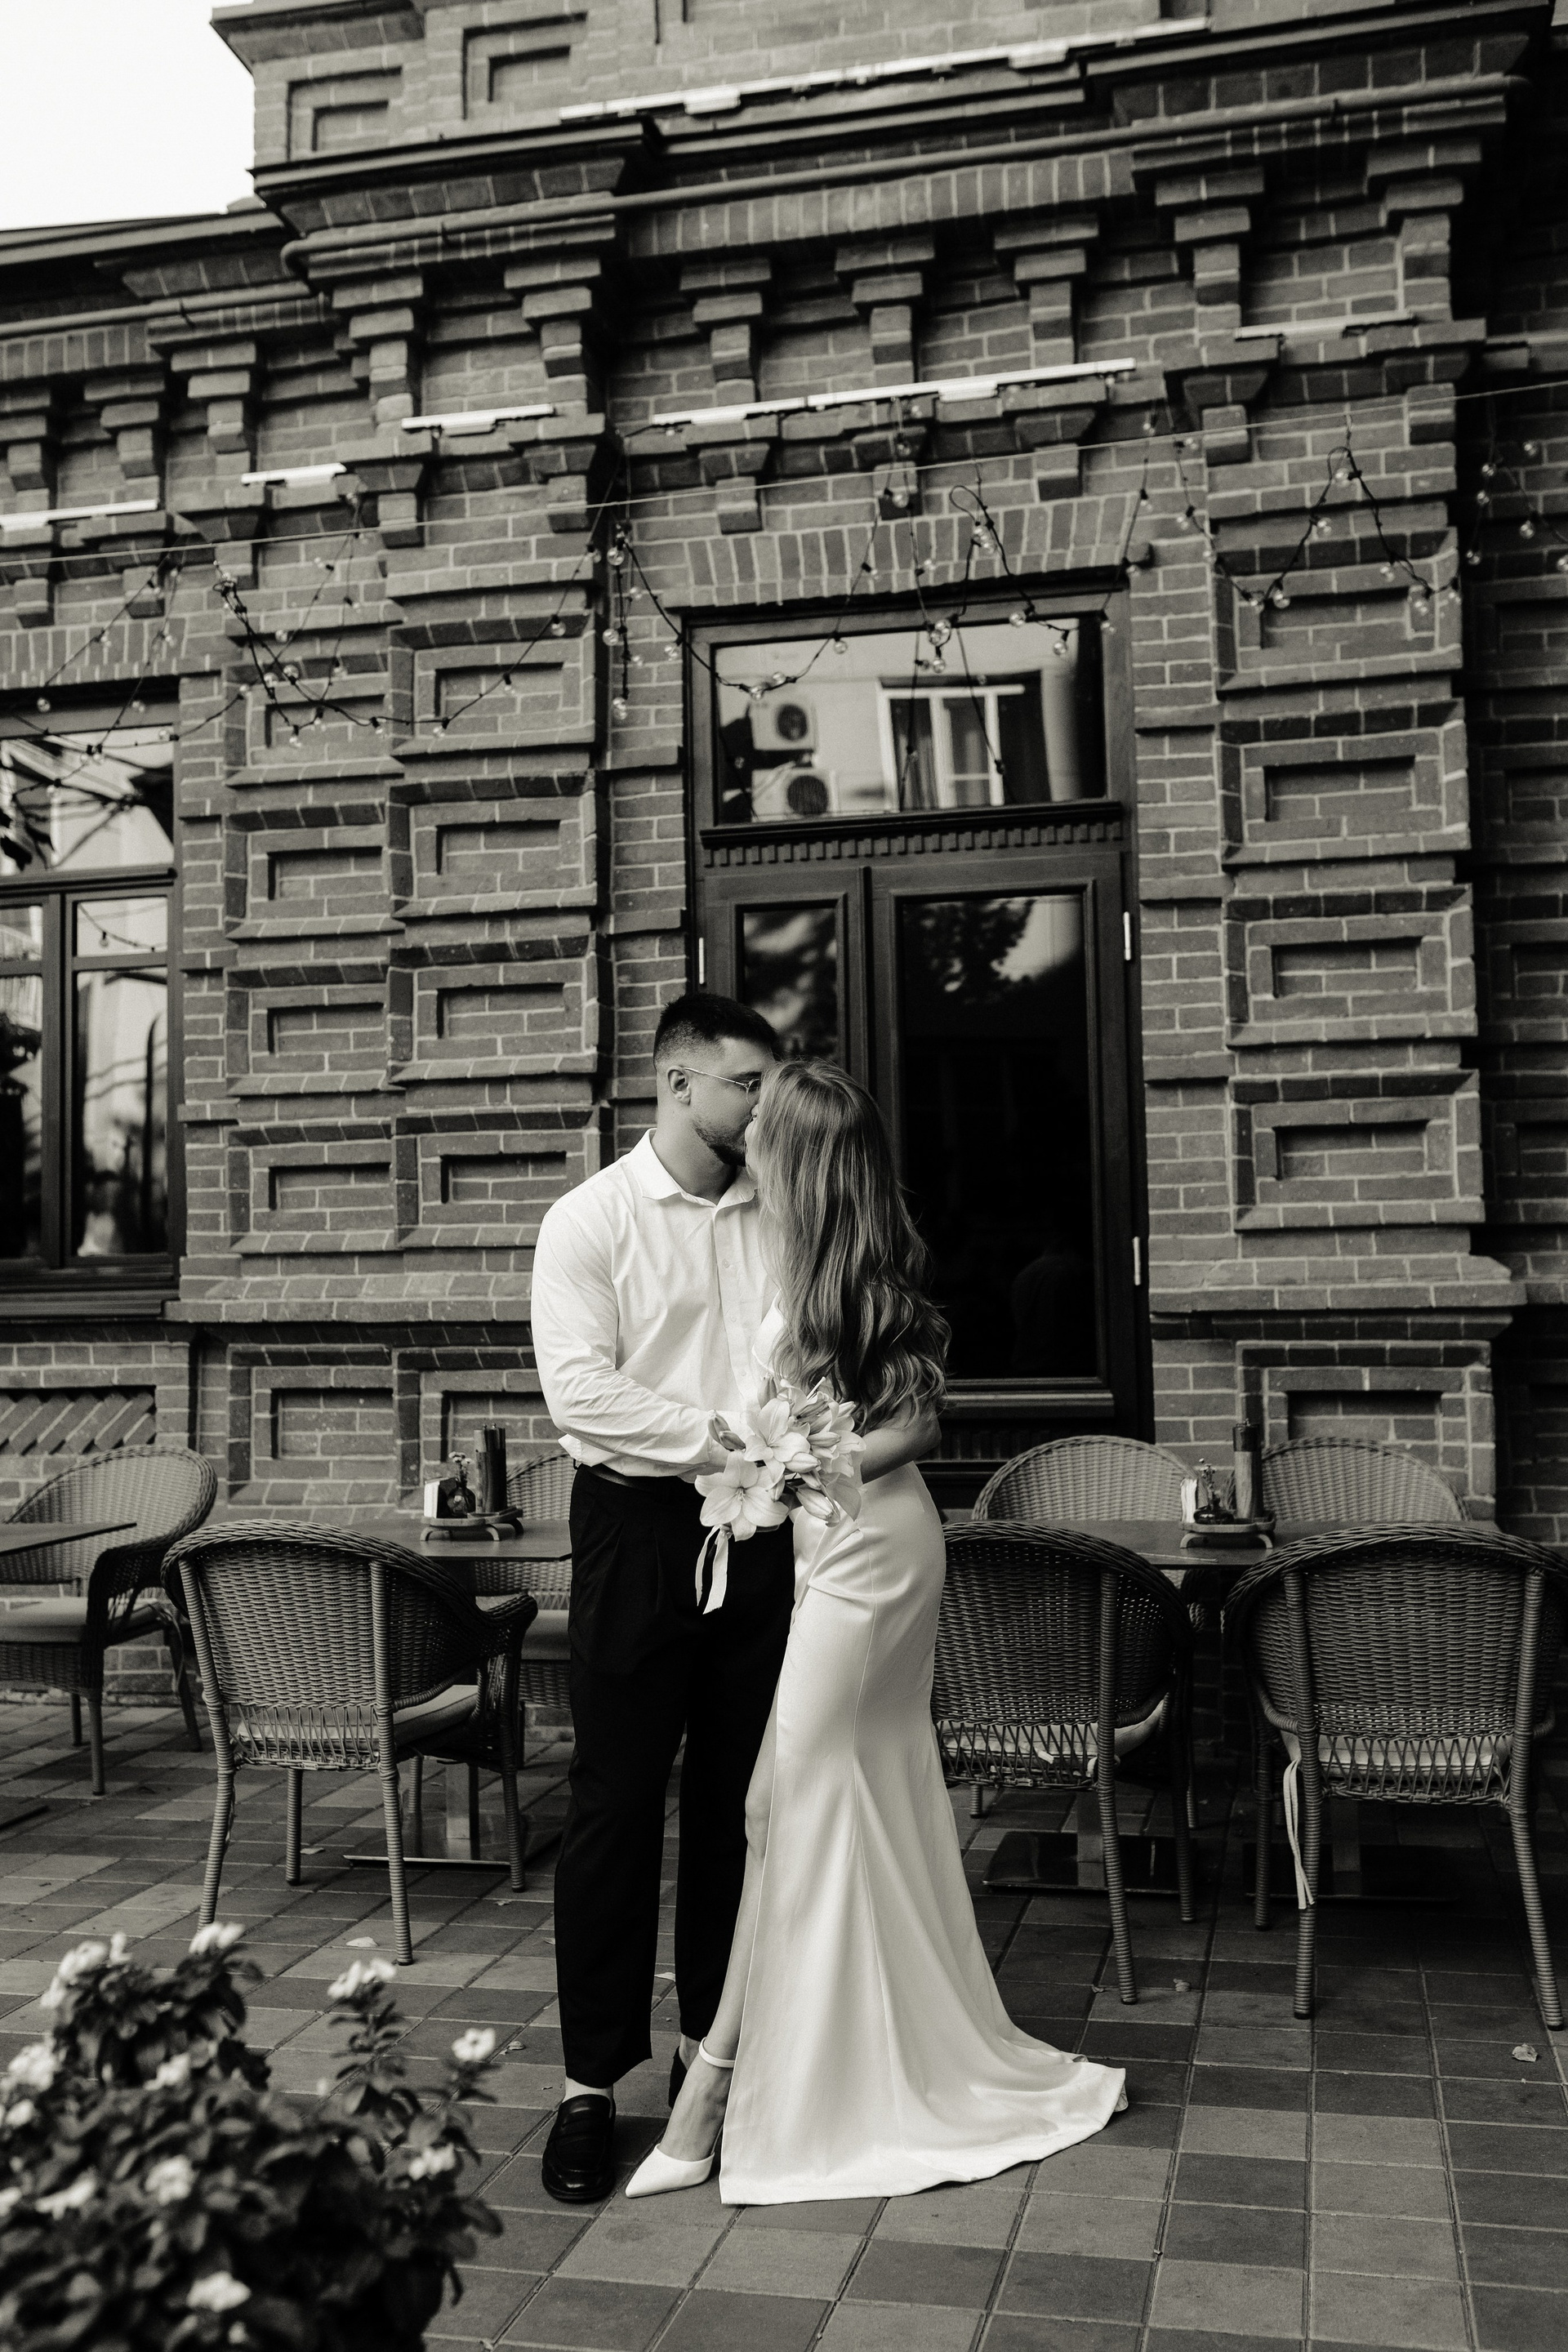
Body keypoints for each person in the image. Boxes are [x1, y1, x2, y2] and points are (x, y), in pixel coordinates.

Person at [625, 1058, 1126, 2204]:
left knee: (776, 1799)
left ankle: (712, 2090)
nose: (747, 1134)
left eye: (764, 1125)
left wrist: (802, 1462)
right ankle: (812, 2049)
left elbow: (919, 1426)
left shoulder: (859, 1277)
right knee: (791, 1801)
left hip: (874, 1557)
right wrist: (775, 1467)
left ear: (799, 1156)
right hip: (826, 1549)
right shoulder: (792, 1254)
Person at [528, 991, 791, 2206]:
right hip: (635, 1534)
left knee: (742, 1805)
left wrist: (778, 1458)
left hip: (765, 1533)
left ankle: (707, 2062)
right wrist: (730, 1437)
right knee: (616, 1808)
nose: (765, 1105)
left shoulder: (781, 1212)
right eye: (748, 1084)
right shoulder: (590, 1220)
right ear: (680, 1083)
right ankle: (589, 2084)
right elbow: (582, 1394)